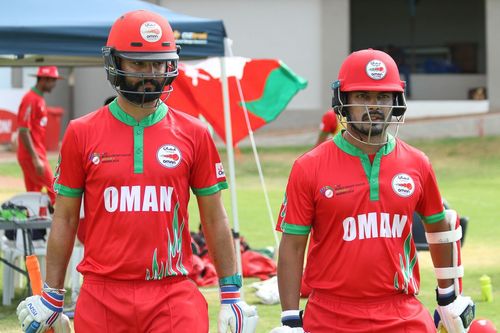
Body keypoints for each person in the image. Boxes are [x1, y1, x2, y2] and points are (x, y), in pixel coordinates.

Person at [16, 10, 258, 333]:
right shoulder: (80, 132)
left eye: (159, 63)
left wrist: (231, 293)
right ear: (115, 63)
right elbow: (65, 218)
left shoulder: (195, 133)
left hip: (172, 292)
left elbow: (214, 217)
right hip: (102, 293)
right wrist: (52, 294)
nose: (151, 74)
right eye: (139, 63)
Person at [271, 49, 475, 333]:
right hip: (330, 314)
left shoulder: (417, 162)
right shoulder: (309, 166)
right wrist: (290, 319)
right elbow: (292, 246)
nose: (374, 106)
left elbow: (439, 226)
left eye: (382, 97)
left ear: (396, 101)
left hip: (401, 311)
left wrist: (448, 295)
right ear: (343, 100)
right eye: (363, 97)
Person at [11, 66, 63, 242]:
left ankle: (34, 235)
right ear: (43, 79)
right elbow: (23, 130)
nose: (54, 84)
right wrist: (35, 158)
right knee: (55, 190)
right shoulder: (30, 99)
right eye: (53, 80)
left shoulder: (38, 98)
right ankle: (60, 233)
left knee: (33, 195)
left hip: (36, 154)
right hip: (33, 156)